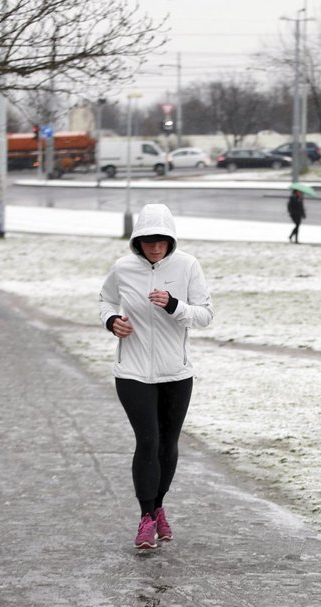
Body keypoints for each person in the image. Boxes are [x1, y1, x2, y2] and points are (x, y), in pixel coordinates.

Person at [98, 203, 214, 549]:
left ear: (170, 239)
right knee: (147, 440)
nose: (155, 246)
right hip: (132, 372)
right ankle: (146, 518)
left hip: (176, 373)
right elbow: (105, 299)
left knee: (168, 443)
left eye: (162, 240)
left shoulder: (187, 266)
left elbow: (206, 315)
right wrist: (111, 321)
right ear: (138, 241)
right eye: (149, 240)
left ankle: (159, 506)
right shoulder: (123, 268)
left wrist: (174, 305)